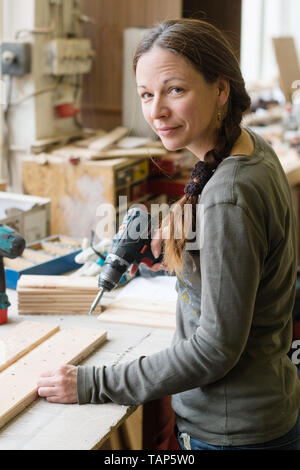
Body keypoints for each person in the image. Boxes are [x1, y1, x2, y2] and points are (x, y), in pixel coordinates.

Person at [37, 19, 300, 450]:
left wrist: (93, 383)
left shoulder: (227, 198)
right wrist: (187, 219)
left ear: (220, 90)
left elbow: (213, 351)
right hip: (266, 405)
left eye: (175, 90)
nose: (156, 110)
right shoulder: (250, 146)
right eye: (146, 94)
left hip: (234, 433)